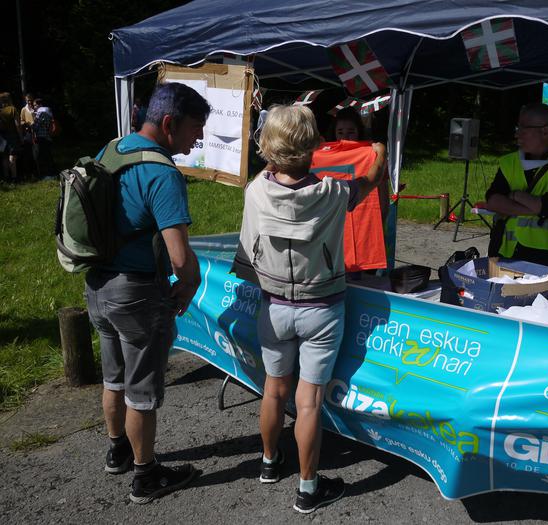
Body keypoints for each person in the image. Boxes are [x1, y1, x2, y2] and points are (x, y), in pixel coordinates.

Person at [233, 104, 386, 513]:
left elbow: (248, 248)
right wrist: (380, 153)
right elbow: (371, 180)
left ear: (268, 146)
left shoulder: (255, 190)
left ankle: (269, 463)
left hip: (274, 305)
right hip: (322, 308)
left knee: (273, 388)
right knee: (309, 402)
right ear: (315, 145)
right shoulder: (333, 192)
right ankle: (307, 487)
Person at [84, 82, 209, 504]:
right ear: (170, 123)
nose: (199, 138)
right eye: (195, 127)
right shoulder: (163, 173)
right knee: (141, 391)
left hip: (97, 286)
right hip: (137, 292)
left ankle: (117, 450)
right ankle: (146, 475)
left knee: (113, 378)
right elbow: (179, 256)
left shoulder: (112, 149)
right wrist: (189, 284)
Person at [484, 103, 548, 275]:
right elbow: (492, 201)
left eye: (523, 128)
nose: (517, 134)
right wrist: (536, 208)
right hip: (502, 248)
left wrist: (515, 195)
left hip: (543, 256)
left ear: (545, 131)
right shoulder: (509, 161)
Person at [31, 98, 56, 180]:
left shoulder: (40, 112)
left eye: (35, 105)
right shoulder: (48, 111)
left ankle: (48, 175)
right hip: (48, 136)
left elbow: (36, 126)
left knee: (43, 156)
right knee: (48, 155)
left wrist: (30, 123)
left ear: (40, 105)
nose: (34, 107)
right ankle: (53, 173)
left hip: (41, 137)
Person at [0, 92, 21, 182]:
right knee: (12, 156)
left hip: (2, 137)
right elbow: (17, 125)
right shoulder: (13, 109)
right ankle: (14, 178)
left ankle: (6, 177)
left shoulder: (0, 111)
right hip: (12, 135)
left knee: (4, 157)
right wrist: (20, 136)